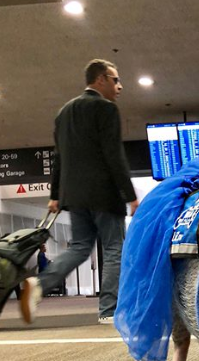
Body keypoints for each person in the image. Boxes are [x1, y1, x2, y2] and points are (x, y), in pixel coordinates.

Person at [20, 59, 139, 324]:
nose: (119, 86)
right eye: (115, 79)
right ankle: (109, 310)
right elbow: (113, 154)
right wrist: (130, 195)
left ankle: (39, 285)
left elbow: (59, 157)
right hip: (105, 195)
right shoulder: (105, 109)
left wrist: (55, 195)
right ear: (100, 80)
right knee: (114, 248)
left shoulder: (64, 113)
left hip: (75, 196)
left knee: (80, 247)